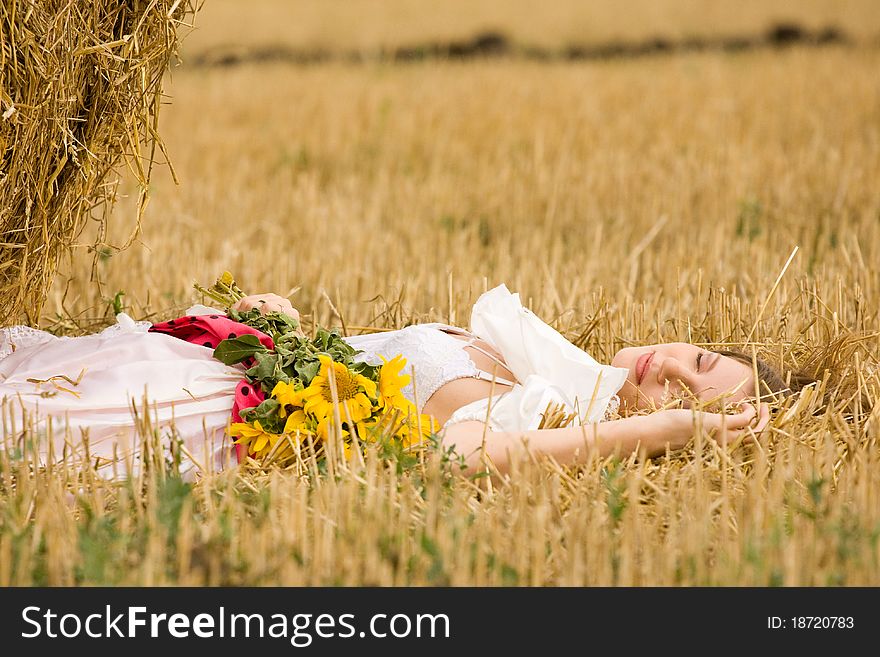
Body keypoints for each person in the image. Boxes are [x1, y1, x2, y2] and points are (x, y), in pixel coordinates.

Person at [0, 285, 806, 479]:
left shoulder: (540, 411)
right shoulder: (538, 358)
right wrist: (292, 323)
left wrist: (654, 435)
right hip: (194, 361)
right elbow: (362, 373)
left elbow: (454, 455)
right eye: (696, 359)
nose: (664, 366)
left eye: (681, 397)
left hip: (189, 411)